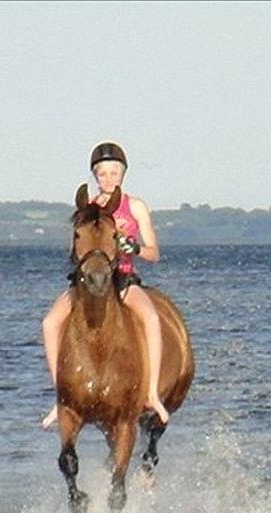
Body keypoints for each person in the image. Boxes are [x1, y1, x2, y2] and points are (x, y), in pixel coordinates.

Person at [41, 141, 169, 428]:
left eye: (114, 173)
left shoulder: (135, 207)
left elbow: (154, 254)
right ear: (95, 177)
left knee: (150, 317)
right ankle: (60, 396)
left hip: (122, 279)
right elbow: (73, 250)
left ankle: (151, 393)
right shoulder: (88, 209)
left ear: (122, 175)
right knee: (50, 323)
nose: (108, 179)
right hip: (88, 285)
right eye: (102, 174)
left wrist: (132, 248)